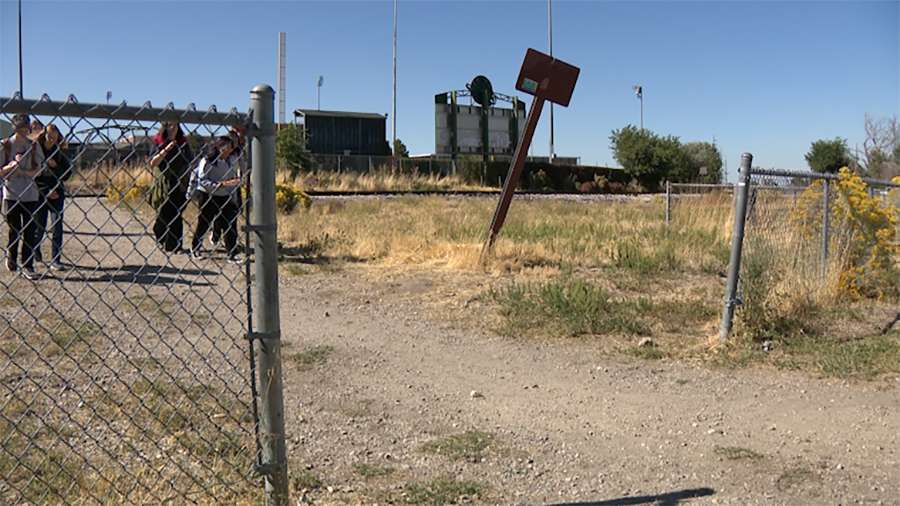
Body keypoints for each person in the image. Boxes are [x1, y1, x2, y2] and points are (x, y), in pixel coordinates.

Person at [0, 114, 45, 279]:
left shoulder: (33, 146)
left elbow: (38, 170)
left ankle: (28, 265)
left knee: (30, 230)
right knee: (14, 229)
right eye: (21, 128)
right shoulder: (5, 145)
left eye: (26, 128)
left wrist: (22, 171)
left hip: (30, 194)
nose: (24, 131)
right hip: (11, 193)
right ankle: (11, 257)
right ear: (15, 128)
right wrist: (12, 166)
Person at [188, 136, 242, 262]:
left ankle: (232, 253)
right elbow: (202, 181)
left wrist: (234, 195)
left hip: (225, 196)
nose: (229, 150)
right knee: (204, 223)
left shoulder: (232, 161)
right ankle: (195, 248)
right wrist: (219, 185)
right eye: (226, 147)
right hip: (208, 195)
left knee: (230, 224)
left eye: (230, 147)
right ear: (218, 147)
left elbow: (233, 179)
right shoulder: (207, 161)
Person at [148, 122, 192, 253]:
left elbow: (190, 160)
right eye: (170, 126)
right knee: (164, 211)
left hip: (179, 180)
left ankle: (175, 246)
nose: (173, 128)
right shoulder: (158, 141)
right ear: (165, 127)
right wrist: (167, 148)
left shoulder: (183, 142)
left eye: (175, 125)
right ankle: (160, 234)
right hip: (164, 180)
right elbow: (153, 162)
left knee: (177, 213)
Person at [32, 124, 71, 270]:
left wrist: (55, 166)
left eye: (55, 138)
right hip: (41, 195)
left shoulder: (59, 153)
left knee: (57, 227)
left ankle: (56, 259)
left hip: (57, 195)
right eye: (49, 136)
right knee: (39, 227)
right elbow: (33, 177)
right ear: (44, 135)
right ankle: (35, 251)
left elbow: (67, 174)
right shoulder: (36, 151)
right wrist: (46, 191)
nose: (51, 140)